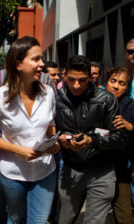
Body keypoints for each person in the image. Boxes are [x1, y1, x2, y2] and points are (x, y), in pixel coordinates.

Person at [0, 36, 60, 224]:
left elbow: (50, 124)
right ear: (18, 64)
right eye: (36, 59)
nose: (41, 64)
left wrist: (54, 142)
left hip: (45, 171)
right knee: (16, 219)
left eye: (41, 58)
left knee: (39, 221)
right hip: (12, 174)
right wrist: (20, 150)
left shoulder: (48, 92)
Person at [55, 55, 126, 224]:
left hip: (102, 172)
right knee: (63, 220)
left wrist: (91, 141)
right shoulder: (55, 99)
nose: (76, 85)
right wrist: (60, 141)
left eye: (82, 80)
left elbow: (120, 136)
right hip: (71, 170)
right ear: (64, 76)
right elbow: (48, 133)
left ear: (91, 77)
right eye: (71, 80)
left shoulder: (106, 99)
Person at [106, 66, 134, 224]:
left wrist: (131, 127)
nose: (116, 86)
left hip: (120, 169)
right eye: (113, 81)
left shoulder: (130, 106)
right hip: (94, 167)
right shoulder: (94, 101)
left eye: (122, 83)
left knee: (125, 216)